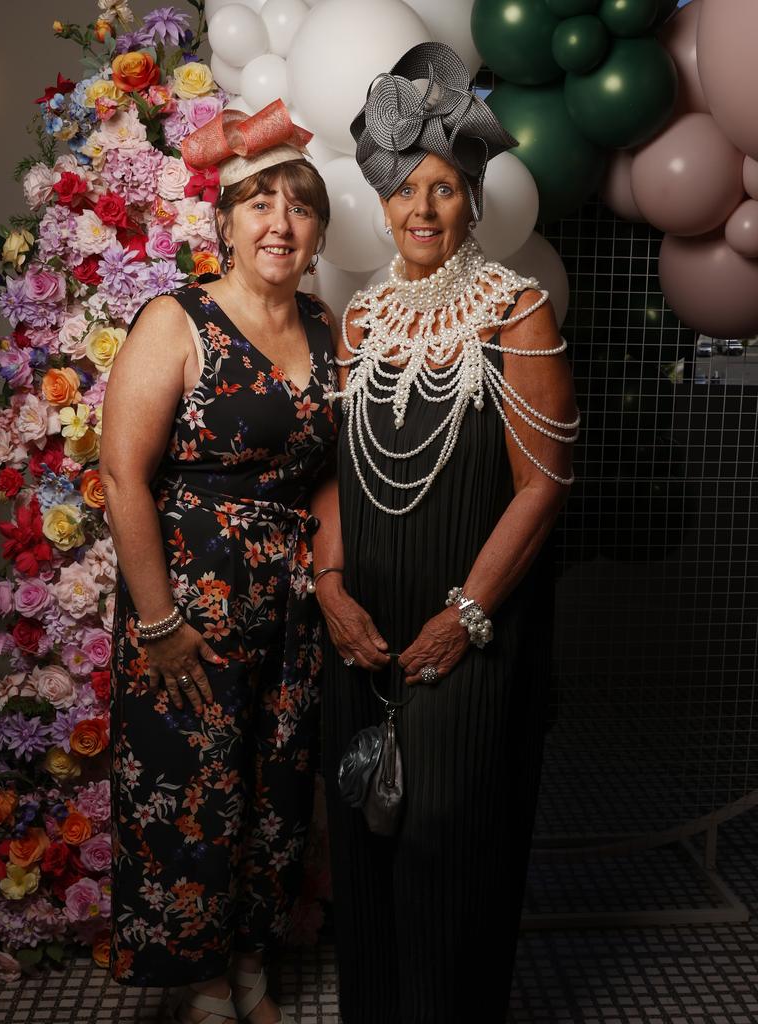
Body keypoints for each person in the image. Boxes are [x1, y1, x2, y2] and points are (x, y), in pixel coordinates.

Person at [310, 44, 580, 1023]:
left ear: (473, 200)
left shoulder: (517, 311)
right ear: (380, 202)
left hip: (468, 632)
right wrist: (330, 586)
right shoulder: (363, 318)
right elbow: (338, 474)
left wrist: (464, 616)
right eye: (404, 191)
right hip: (361, 629)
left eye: (444, 190)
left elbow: (542, 488)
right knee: (366, 847)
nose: (422, 211)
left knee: (445, 853)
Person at [102, 100, 339, 1024]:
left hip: (290, 604)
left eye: (300, 205)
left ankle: (249, 962)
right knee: (192, 783)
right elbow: (123, 475)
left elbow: (326, 477)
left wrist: (328, 583)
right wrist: (157, 623)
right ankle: (199, 979)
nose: (280, 222)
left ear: (318, 229)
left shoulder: (327, 328)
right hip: (189, 602)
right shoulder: (179, 318)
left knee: (277, 785)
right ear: (227, 222)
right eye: (258, 202)